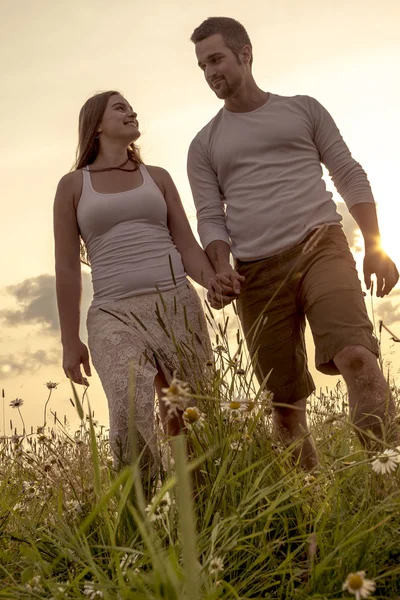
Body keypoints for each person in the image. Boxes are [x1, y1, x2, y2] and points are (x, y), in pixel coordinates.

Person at [187, 17, 399, 469]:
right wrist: (221, 268)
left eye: (217, 59)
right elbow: (210, 217)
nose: (210, 72)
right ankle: (315, 510)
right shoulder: (204, 144)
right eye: (203, 65)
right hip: (256, 272)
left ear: (245, 54)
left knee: (358, 358)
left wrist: (377, 245)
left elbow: (348, 173)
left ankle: (388, 480)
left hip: (321, 245)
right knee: (284, 409)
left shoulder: (303, 109)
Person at [53, 90, 231, 474]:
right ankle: (142, 508)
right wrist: (70, 340)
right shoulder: (72, 185)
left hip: (176, 304)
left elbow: (185, 243)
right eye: (120, 107)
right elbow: (67, 267)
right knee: (128, 403)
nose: (131, 112)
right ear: (96, 124)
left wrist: (212, 281)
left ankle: (201, 508)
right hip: (113, 313)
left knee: (190, 412)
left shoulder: (158, 178)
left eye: (132, 107)